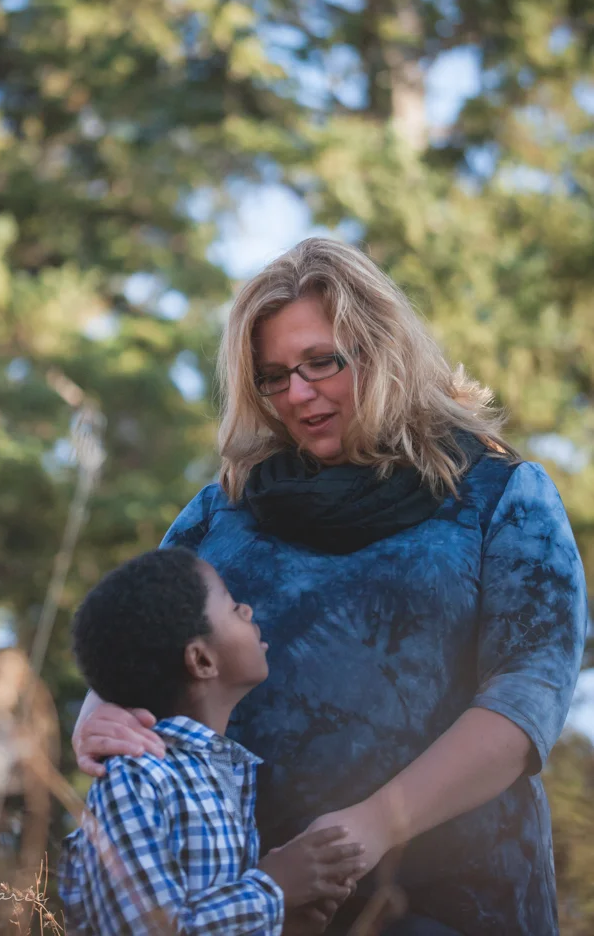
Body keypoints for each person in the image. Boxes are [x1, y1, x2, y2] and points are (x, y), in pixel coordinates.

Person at [72, 238, 588, 936]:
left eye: (321, 363)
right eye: (274, 376)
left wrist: (370, 827)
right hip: (248, 904)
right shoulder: (220, 508)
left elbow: (527, 701)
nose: (298, 393)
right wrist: (97, 715)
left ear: (383, 351)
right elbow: (141, 637)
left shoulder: (502, 496)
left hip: (456, 900)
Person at [59, 546, 366, 934]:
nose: (248, 611)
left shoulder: (223, 773)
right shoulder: (136, 779)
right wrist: (276, 888)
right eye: (232, 606)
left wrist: (288, 922)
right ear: (202, 661)